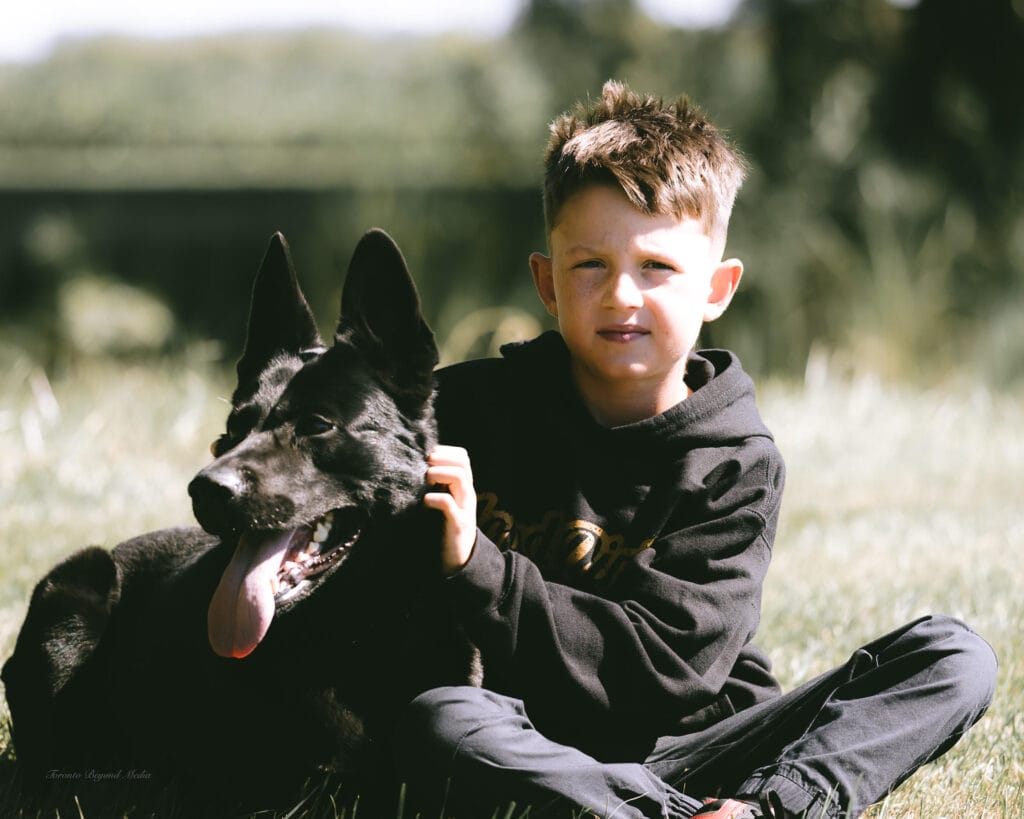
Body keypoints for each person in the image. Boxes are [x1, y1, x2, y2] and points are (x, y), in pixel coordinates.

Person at [398, 80, 997, 819]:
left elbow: (660, 673)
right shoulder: (468, 410)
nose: (622, 295)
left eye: (657, 267)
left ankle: (761, 811)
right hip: (534, 744)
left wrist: (477, 566)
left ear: (717, 287)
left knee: (952, 657)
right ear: (547, 283)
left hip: (696, 747)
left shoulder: (735, 462)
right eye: (590, 265)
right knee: (444, 719)